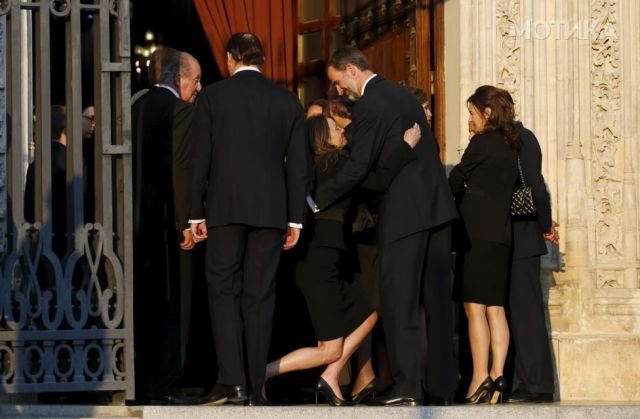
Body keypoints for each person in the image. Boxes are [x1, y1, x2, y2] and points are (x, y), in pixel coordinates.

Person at [314, 46, 458, 406]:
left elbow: (361, 169)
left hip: (405, 215)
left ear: (351, 70)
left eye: (336, 81)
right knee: (437, 305)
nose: (337, 90)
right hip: (437, 210)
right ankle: (441, 388)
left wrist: (314, 199)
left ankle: (408, 387)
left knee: (399, 301)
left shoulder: (370, 107)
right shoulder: (403, 96)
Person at [265, 114, 421, 405]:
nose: (342, 129)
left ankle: (330, 378)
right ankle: (262, 374)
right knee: (330, 349)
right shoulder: (336, 164)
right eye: (336, 128)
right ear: (322, 138)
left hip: (323, 261)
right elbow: (375, 179)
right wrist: (405, 147)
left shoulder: (315, 167)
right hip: (320, 263)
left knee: (369, 312)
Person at [188, 32, 308, 406]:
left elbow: (199, 160)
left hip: (224, 209)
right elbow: (299, 168)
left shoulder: (212, 97)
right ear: (263, 59)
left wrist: (194, 213)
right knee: (260, 297)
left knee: (223, 291)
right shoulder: (287, 101)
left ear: (229, 58)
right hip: (271, 213)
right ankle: (256, 387)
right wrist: (296, 219)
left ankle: (233, 381)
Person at [131, 46, 202, 404]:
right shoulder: (180, 110)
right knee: (168, 303)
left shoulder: (133, 107)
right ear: (179, 79)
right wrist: (186, 221)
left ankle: (136, 380)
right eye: (196, 80)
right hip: (163, 223)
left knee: (139, 302)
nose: (199, 88)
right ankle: (161, 381)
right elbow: (181, 170)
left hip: (131, 221)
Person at [449, 85, 519, 404]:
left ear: (486, 112)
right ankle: (498, 375)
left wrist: (463, 187)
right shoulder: (510, 145)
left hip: (476, 235)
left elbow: (455, 179)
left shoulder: (482, 143)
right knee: (496, 308)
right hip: (502, 236)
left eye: (472, 113)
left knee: (474, 308)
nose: (469, 120)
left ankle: (479, 377)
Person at [503, 121, 558, 403]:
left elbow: (536, 186)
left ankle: (536, 384)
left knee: (526, 313)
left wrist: (545, 224)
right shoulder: (504, 138)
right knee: (515, 312)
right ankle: (520, 381)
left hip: (522, 235)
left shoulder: (521, 137)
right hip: (511, 236)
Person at [24, 105, 68, 258]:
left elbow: (28, 210)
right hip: (69, 242)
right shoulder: (76, 162)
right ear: (65, 130)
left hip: (42, 244)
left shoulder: (35, 166)